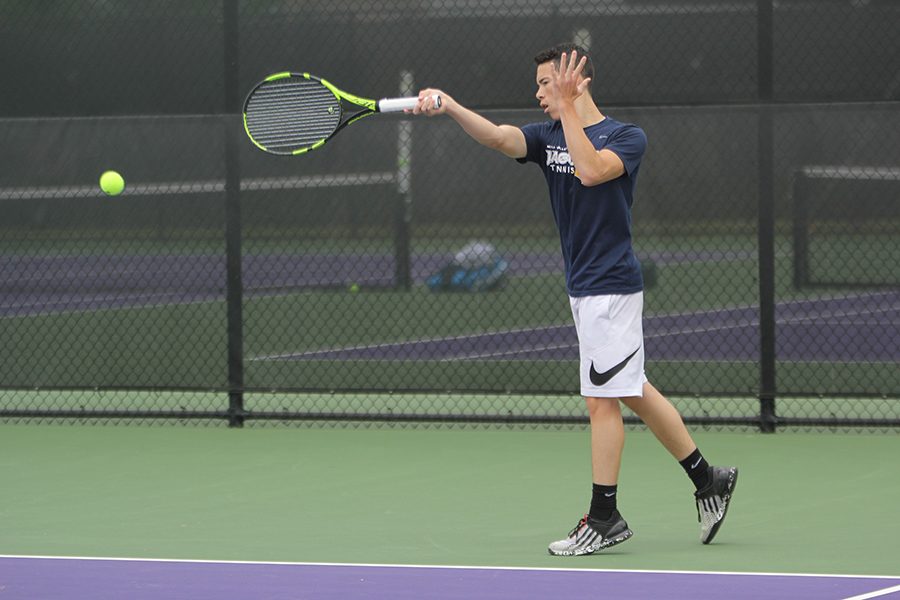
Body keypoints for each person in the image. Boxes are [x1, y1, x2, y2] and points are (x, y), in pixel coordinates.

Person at [410, 43, 738, 555]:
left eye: (547, 82)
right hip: (584, 289)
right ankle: (707, 480)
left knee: (600, 402)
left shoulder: (627, 137)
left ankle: (604, 517)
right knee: (633, 390)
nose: (539, 93)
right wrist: (450, 106)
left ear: (577, 79)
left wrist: (566, 112)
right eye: (540, 85)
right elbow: (498, 138)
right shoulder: (546, 136)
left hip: (611, 286)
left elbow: (590, 171)